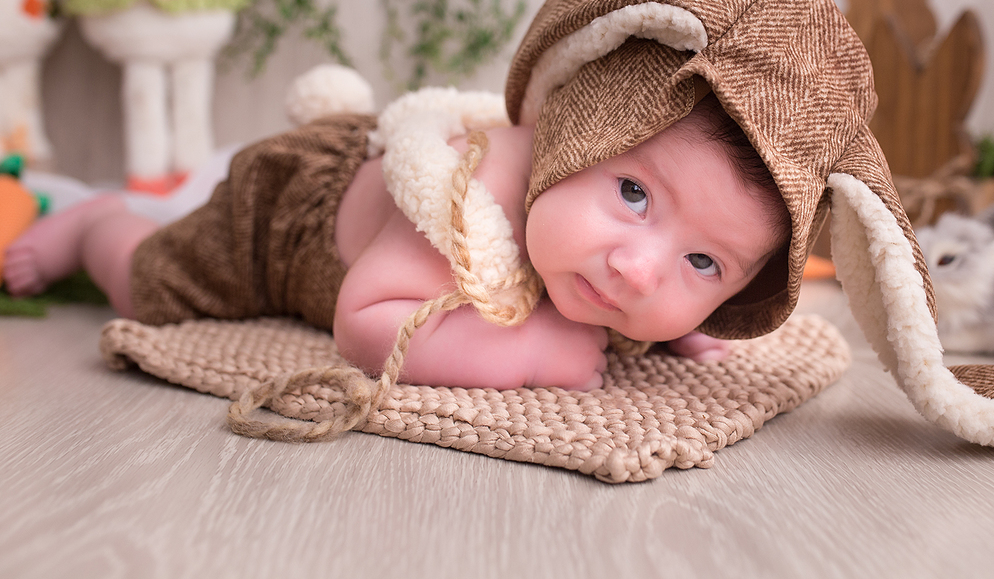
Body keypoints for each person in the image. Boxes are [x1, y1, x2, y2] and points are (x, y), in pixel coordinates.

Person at [2, 92, 789, 392]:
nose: (637, 268)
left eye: (703, 263)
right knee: (157, 285)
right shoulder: (464, 196)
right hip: (283, 222)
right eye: (633, 193)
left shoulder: (606, 250)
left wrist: (675, 328)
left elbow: (662, 267)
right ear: (568, 142)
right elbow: (364, 321)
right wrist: (521, 355)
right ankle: (97, 224)